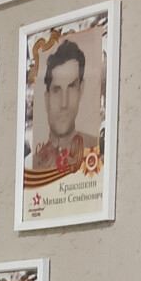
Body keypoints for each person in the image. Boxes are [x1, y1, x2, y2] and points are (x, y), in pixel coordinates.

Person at [30, 38, 94, 177]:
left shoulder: (96, 151)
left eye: (71, 87)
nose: (64, 103)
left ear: (81, 89)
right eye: (56, 90)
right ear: (46, 98)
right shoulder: (30, 164)